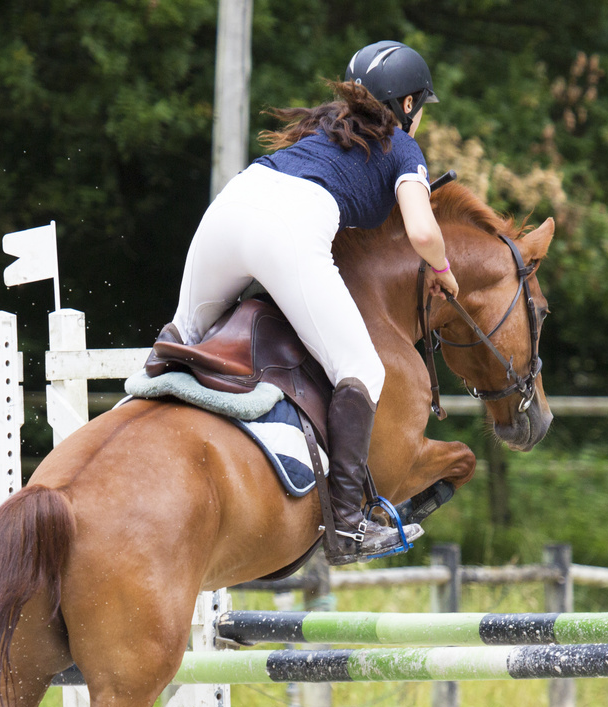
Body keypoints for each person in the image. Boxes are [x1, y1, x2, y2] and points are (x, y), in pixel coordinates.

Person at [167, 41, 459, 564]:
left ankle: (134, 420)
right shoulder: (401, 146)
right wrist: (442, 271)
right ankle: (347, 529)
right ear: (408, 105)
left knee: (183, 339)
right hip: (287, 228)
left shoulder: (319, 131)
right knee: (363, 370)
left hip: (230, 207)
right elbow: (422, 230)